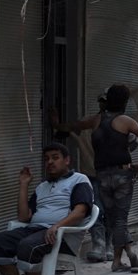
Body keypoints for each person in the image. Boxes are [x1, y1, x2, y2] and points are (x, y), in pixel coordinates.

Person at [54, 84, 138, 273]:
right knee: (119, 219)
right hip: (122, 175)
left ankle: (120, 258)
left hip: (102, 177)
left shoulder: (96, 120)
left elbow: (72, 126)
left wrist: (56, 124)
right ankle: (125, 255)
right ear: (125, 102)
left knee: (114, 218)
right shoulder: (125, 121)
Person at [0, 143, 93, 275]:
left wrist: (56, 226)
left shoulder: (79, 180)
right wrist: (24, 184)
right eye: (46, 159)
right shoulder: (42, 187)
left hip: (62, 236)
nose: (50, 162)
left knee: (28, 246)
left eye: (55, 158)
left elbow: (80, 212)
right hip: (36, 230)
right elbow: (24, 217)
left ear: (67, 160)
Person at [51, 94, 110, 262]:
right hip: (94, 173)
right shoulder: (89, 122)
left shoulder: (118, 123)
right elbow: (65, 130)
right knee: (97, 209)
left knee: (109, 211)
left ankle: (107, 246)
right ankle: (100, 245)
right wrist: (56, 124)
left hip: (110, 174)